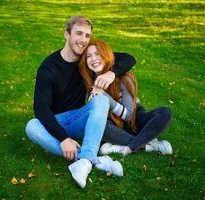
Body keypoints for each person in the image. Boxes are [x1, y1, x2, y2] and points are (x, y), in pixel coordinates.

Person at [25, 16, 135, 188]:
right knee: (31, 126)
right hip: (57, 121)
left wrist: (111, 73)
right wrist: (63, 138)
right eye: (79, 34)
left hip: (80, 119)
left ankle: (84, 161)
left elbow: (128, 58)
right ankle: (91, 160)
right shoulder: (48, 68)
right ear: (66, 34)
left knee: (100, 101)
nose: (83, 40)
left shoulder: (87, 60)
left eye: (87, 35)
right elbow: (40, 109)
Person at [78, 39, 173, 157]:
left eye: (97, 54)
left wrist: (105, 97)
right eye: (88, 56)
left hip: (133, 119)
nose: (93, 59)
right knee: (99, 124)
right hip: (111, 122)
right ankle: (149, 144)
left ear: (106, 55)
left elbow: (129, 116)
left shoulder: (125, 78)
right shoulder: (88, 79)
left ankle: (127, 145)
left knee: (165, 113)